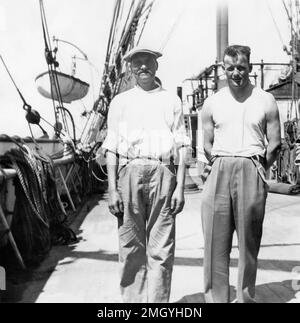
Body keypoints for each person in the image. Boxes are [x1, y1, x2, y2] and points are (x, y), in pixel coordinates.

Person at [101, 46, 190, 303]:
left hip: (163, 173)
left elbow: (183, 145)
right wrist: (112, 189)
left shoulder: (171, 100)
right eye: (137, 62)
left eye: (148, 61)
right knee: (130, 247)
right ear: (130, 68)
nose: (143, 67)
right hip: (129, 172)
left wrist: (180, 187)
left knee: (161, 249)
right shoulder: (120, 102)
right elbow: (112, 147)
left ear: (156, 66)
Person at [201, 45, 281, 303]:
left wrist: (259, 169)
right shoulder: (212, 101)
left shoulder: (265, 99)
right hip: (220, 166)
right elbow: (206, 142)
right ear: (223, 69)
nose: (236, 73)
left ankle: (245, 298)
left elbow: (275, 143)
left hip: (252, 164)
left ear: (250, 68)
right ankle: (217, 299)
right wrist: (218, 163)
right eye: (230, 68)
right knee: (215, 243)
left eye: (242, 68)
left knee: (248, 243)